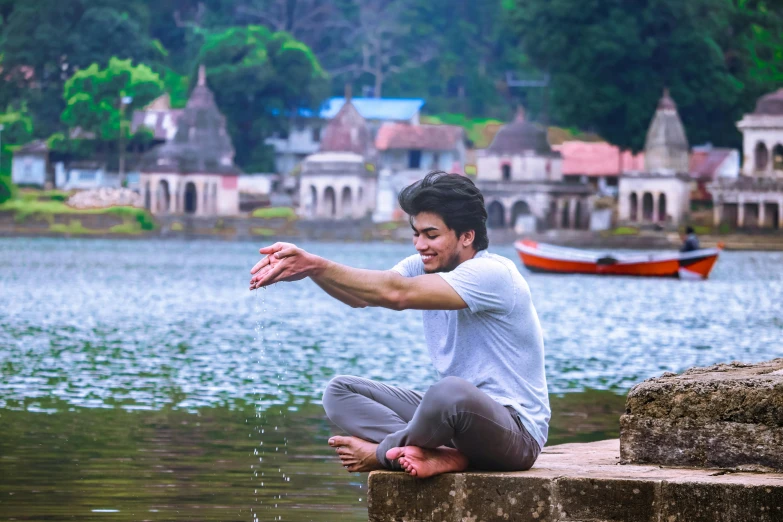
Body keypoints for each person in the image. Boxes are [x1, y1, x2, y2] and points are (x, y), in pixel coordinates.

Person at [249, 171, 549, 479]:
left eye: (431, 235)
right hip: (457, 423)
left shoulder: (493, 273)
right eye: (416, 233)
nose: (420, 245)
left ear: (467, 236)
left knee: (448, 394)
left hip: (515, 434)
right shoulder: (424, 264)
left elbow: (396, 294)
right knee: (340, 391)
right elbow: (362, 296)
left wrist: (314, 263)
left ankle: (384, 453)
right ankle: (442, 455)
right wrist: (313, 272)